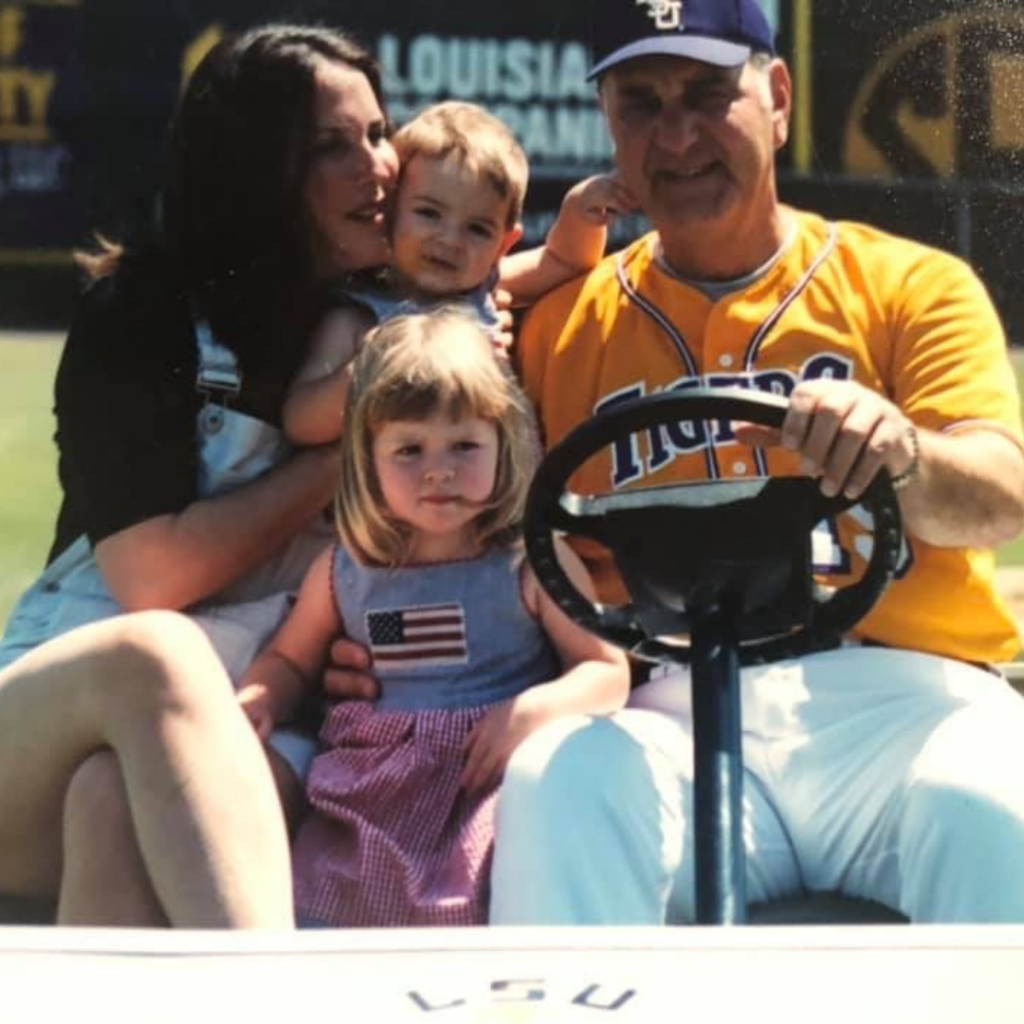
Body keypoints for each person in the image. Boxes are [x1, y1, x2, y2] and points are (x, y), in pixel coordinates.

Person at [479, 0, 1024, 925]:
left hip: (905, 700)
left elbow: (1001, 498)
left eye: (705, 92)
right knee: (558, 784)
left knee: (987, 803)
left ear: (776, 99)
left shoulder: (908, 284)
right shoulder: (557, 330)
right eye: (641, 102)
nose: (678, 133)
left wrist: (905, 453)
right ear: (609, 124)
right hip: (674, 710)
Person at [0, 23, 403, 926]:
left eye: (379, 132)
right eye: (334, 146)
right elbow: (153, 579)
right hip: (52, 710)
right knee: (157, 649)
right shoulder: (141, 309)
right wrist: (340, 458)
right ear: (259, 169)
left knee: (111, 803)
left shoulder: (401, 329)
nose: (379, 166)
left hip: (256, 722)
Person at [237, 308, 629, 926]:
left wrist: (536, 709)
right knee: (327, 910)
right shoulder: (346, 570)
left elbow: (607, 668)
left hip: (486, 782)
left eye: (465, 445)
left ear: (508, 440)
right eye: (409, 449)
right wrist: (262, 694)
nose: (439, 470)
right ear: (368, 457)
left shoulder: (529, 561)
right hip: (369, 799)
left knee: (489, 895)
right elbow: (291, 656)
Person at [282, 99, 634, 447]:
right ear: (389, 211)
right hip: (412, 496)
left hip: (505, 493)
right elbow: (301, 422)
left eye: (477, 229)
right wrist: (376, 362)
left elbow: (565, 261)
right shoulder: (359, 317)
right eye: (429, 214)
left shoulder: (484, 289)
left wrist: (578, 213)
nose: (450, 240)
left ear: (503, 244)